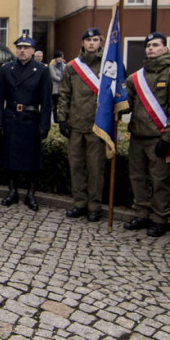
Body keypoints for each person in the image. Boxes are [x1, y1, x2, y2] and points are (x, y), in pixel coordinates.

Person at [123, 32, 170, 237]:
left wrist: (167, 138)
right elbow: (127, 104)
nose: (151, 48)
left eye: (155, 45)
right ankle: (141, 213)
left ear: (165, 49)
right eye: (148, 45)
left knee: (160, 180)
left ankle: (160, 218)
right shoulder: (136, 77)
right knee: (137, 178)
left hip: (159, 138)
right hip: (137, 136)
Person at [0, 30, 52, 211]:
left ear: (33, 50)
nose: (22, 51)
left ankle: (30, 193)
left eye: (26, 48)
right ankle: (12, 192)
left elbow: (47, 101)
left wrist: (44, 125)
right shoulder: (6, 69)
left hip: (30, 119)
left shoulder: (42, 70)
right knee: (10, 159)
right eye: (19, 47)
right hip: (11, 118)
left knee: (31, 161)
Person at [57, 28, 105, 222]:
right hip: (76, 124)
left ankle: (94, 206)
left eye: (95, 40)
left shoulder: (108, 65)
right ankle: (79, 203)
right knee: (76, 167)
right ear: (83, 43)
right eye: (88, 40)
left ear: (100, 42)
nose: (91, 43)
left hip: (97, 126)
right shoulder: (72, 67)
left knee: (95, 169)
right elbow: (64, 94)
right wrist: (62, 118)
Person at [49, 50, 65, 121]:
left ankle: (62, 119)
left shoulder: (64, 66)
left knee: (62, 104)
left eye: (61, 57)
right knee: (55, 105)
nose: (60, 59)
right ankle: (55, 119)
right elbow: (54, 76)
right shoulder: (52, 66)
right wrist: (62, 80)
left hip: (63, 88)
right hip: (55, 89)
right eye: (58, 57)